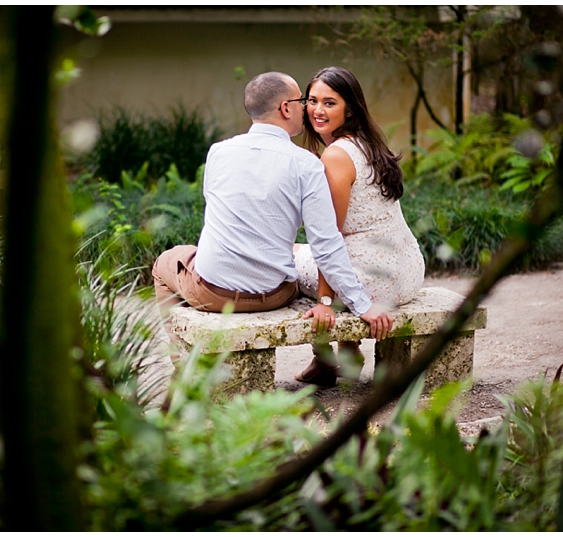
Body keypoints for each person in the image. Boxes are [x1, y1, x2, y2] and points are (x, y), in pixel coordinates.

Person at [152, 71, 393, 367]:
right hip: (275, 294)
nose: (308, 108)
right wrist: (363, 306)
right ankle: (324, 356)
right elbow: (326, 243)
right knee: (292, 258)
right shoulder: (307, 165)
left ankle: (180, 363)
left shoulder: (218, 152)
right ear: (286, 108)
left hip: (212, 293)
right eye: (304, 101)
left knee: (167, 261)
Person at [293, 66, 425, 385]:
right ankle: (348, 351)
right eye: (312, 101)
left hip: (374, 282)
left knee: (288, 260)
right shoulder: (369, 144)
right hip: (407, 273)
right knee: (332, 253)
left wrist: (325, 301)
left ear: (349, 108)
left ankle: (324, 359)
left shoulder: (336, 156)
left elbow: (330, 236)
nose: (317, 110)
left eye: (329, 102)